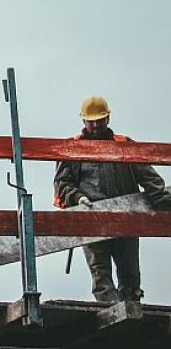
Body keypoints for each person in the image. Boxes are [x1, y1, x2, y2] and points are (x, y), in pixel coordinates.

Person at [54, 95, 171, 302]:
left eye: (100, 120)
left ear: (108, 118)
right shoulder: (72, 147)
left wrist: (164, 203)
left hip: (127, 217)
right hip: (91, 217)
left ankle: (131, 309)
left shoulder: (124, 145)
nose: (96, 125)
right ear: (83, 121)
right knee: (101, 273)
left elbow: (149, 178)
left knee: (130, 273)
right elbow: (62, 184)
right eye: (91, 121)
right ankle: (110, 311)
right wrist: (78, 197)